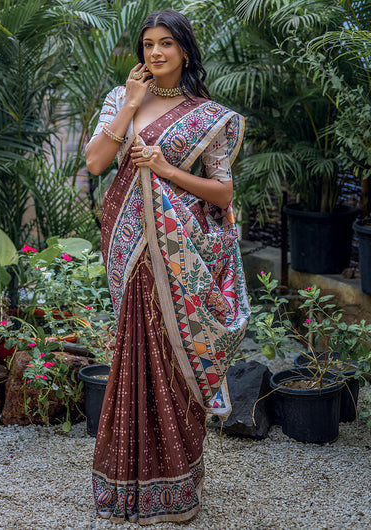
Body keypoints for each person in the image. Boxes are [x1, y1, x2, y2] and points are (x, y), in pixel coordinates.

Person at [85, 8, 250, 525]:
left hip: (180, 256)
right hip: (129, 248)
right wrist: (131, 102)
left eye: (166, 44)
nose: (155, 53)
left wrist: (165, 169)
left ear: (184, 51)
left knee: (172, 356)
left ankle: (176, 487)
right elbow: (94, 162)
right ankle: (126, 488)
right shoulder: (122, 98)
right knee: (135, 354)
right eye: (148, 44)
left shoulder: (209, 115)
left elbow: (223, 192)